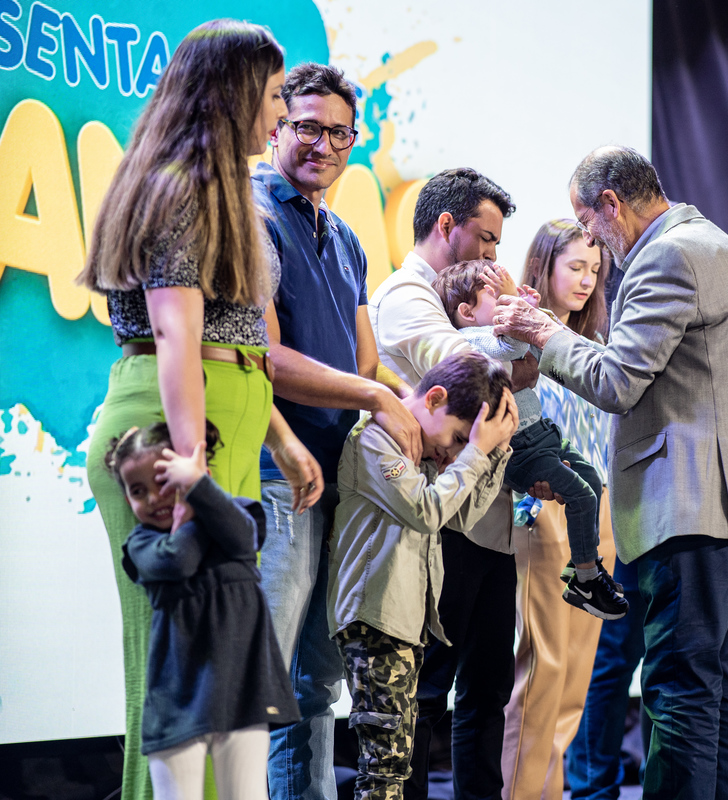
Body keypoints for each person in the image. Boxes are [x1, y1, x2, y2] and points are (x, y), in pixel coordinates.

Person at [493, 146, 728, 800]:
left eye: (588, 223)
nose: (595, 248)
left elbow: (617, 382)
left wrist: (543, 332)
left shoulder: (666, 256)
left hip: (693, 507)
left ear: (610, 205)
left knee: (682, 688)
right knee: (724, 684)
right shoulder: (716, 243)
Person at [77, 20, 319, 800]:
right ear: (233, 92)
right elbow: (178, 333)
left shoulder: (215, 187)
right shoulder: (178, 186)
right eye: (274, 94)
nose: (281, 112)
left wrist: (279, 437)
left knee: (215, 678)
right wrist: (192, 475)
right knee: (179, 681)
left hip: (218, 431)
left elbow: (228, 333)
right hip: (174, 435)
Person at [250, 62, 423, 800]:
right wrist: (378, 397)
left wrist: (422, 403)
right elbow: (266, 357)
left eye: (340, 133)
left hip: (337, 478)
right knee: (261, 681)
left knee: (317, 682)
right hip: (272, 471)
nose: (323, 145)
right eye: (307, 127)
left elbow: (365, 363)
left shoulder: (347, 238)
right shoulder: (253, 215)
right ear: (277, 128)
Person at [367, 167, 526, 800]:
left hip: (488, 514)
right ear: (445, 225)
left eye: (497, 245)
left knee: (487, 690)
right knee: (427, 691)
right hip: (439, 519)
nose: (492, 258)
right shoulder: (405, 294)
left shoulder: (459, 299)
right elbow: (468, 371)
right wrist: (520, 330)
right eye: (485, 239)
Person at [327, 353, 519, 800]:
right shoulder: (376, 436)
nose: (452, 452)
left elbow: (463, 516)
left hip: (405, 624)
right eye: (457, 438)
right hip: (373, 620)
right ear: (434, 399)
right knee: (385, 767)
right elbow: (427, 511)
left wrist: (496, 452)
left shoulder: (421, 447)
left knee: (395, 763)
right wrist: (475, 454)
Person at [499, 219, 625, 800]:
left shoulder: (597, 346)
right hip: (542, 507)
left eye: (595, 269)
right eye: (575, 265)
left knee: (575, 679)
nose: (586, 279)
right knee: (543, 672)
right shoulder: (517, 337)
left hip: (599, 514)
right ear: (544, 265)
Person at [108, 421, 300, 800]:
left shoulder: (237, 516)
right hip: (177, 700)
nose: (153, 498)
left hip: (243, 694)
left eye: (163, 482)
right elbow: (177, 561)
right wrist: (193, 514)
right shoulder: (141, 544)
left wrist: (199, 491)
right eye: (137, 490)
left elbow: (243, 539)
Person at [433, 259, 627, 619]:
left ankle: (583, 563)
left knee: (592, 481)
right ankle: (586, 579)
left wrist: (531, 315)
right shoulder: (469, 339)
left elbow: (541, 351)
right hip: (521, 449)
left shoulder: (496, 332)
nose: (505, 304)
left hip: (542, 433)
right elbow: (510, 348)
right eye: (496, 297)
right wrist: (519, 307)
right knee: (582, 495)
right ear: (467, 312)